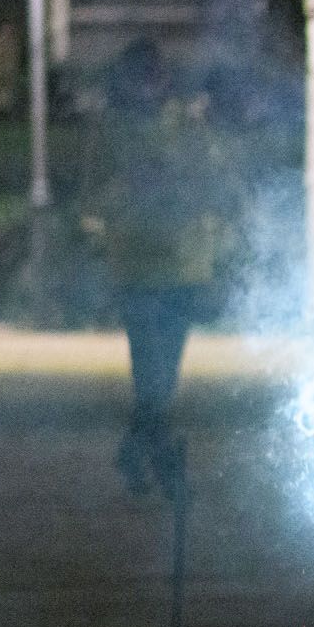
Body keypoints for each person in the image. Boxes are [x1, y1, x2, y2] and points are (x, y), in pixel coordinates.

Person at [81, 40, 229, 495]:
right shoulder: (110, 131)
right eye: (142, 73)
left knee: (162, 377)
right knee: (152, 374)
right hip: (138, 270)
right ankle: (165, 464)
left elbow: (217, 183)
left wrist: (191, 199)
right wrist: (132, 189)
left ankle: (136, 451)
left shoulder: (188, 125)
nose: (151, 81)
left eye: (156, 72)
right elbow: (91, 199)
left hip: (184, 267)